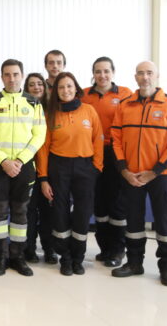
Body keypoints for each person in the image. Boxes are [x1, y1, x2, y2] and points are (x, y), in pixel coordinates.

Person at [111, 61, 167, 287]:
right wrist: (124, 170)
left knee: (164, 221)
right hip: (131, 175)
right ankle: (134, 263)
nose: (145, 77)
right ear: (135, 77)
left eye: (149, 73)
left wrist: (155, 171)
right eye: (141, 73)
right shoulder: (124, 105)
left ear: (157, 76)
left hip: (161, 176)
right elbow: (116, 140)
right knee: (133, 220)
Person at [0, 59, 46, 277]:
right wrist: (3, 161)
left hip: (24, 167)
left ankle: (17, 257)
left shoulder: (34, 103)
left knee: (20, 213)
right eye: (7, 75)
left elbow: (39, 135)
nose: (12, 78)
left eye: (15, 74)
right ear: (1, 77)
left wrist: (20, 160)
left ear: (22, 76)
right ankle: (0, 257)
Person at [37, 72, 104, 276]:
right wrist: (43, 178)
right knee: (60, 211)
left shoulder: (89, 111)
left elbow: (98, 140)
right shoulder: (50, 113)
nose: (65, 90)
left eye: (69, 86)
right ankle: (65, 257)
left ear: (76, 88)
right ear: (55, 91)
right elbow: (43, 148)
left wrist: (96, 168)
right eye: (61, 87)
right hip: (59, 167)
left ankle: (78, 257)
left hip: (85, 167)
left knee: (83, 212)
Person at [81, 57, 132, 267]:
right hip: (92, 153)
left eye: (106, 71)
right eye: (98, 71)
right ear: (93, 73)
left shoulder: (125, 93)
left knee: (117, 203)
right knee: (99, 203)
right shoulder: (84, 95)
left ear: (113, 72)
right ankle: (104, 248)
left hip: (116, 153)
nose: (102, 75)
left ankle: (118, 250)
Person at [22, 73, 57, 265]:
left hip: (51, 168)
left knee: (48, 211)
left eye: (39, 84)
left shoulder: (54, 111)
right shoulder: (22, 109)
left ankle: (49, 249)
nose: (36, 88)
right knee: (29, 210)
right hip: (28, 165)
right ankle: (29, 249)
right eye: (31, 85)